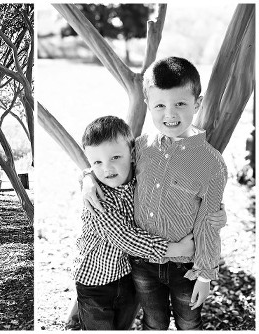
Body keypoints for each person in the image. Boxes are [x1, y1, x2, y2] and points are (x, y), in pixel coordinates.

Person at [82, 57, 228, 330]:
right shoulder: (141, 147)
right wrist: (87, 178)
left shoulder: (211, 163)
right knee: (153, 322)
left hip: (186, 265)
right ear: (148, 103)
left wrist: (205, 276)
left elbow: (210, 222)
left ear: (197, 103)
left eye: (180, 104)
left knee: (188, 322)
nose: (169, 114)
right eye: (160, 105)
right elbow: (110, 164)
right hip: (142, 264)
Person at [75, 115, 198, 330]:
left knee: (123, 326)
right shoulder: (99, 200)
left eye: (115, 157)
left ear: (132, 154)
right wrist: (175, 248)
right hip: (96, 286)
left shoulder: (137, 179)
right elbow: (126, 239)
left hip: (127, 277)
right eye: (97, 163)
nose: (107, 168)